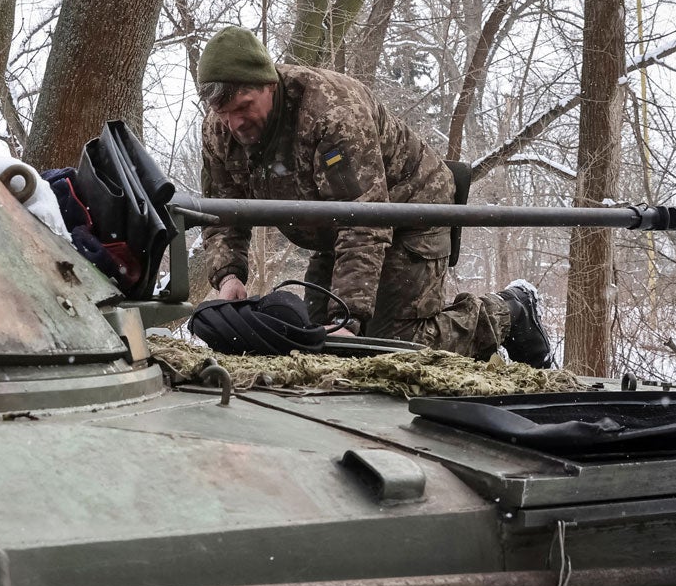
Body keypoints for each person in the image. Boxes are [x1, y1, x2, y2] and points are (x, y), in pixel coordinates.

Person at [196, 25, 553, 368]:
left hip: (413, 211)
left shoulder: (332, 111)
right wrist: (229, 277)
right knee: (316, 343)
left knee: (390, 347)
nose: (235, 123)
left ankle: (511, 310)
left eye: (243, 107)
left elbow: (364, 218)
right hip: (337, 229)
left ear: (269, 84)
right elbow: (223, 212)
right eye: (223, 113)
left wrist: (348, 317)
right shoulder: (219, 132)